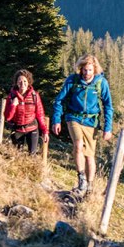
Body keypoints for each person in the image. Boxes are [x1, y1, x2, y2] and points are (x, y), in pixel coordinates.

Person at [51, 55, 113, 196]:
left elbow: (108, 105)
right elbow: (59, 100)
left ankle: (89, 186)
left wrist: (108, 128)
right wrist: (56, 120)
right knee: (78, 145)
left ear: (95, 70)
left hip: (91, 122)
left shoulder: (101, 83)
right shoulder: (72, 80)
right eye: (84, 70)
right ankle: (82, 179)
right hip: (74, 117)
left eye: (90, 70)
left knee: (89, 156)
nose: (87, 73)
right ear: (80, 69)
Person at [3, 69, 48, 155]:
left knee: (32, 155)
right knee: (16, 155)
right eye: (19, 81)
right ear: (16, 82)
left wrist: (45, 131)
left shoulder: (34, 95)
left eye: (25, 81)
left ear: (28, 82)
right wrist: (13, 105)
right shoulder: (11, 96)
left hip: (32, 128)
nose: (22, 84)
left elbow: (40, 114)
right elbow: (7, 117)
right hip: (17, 129)